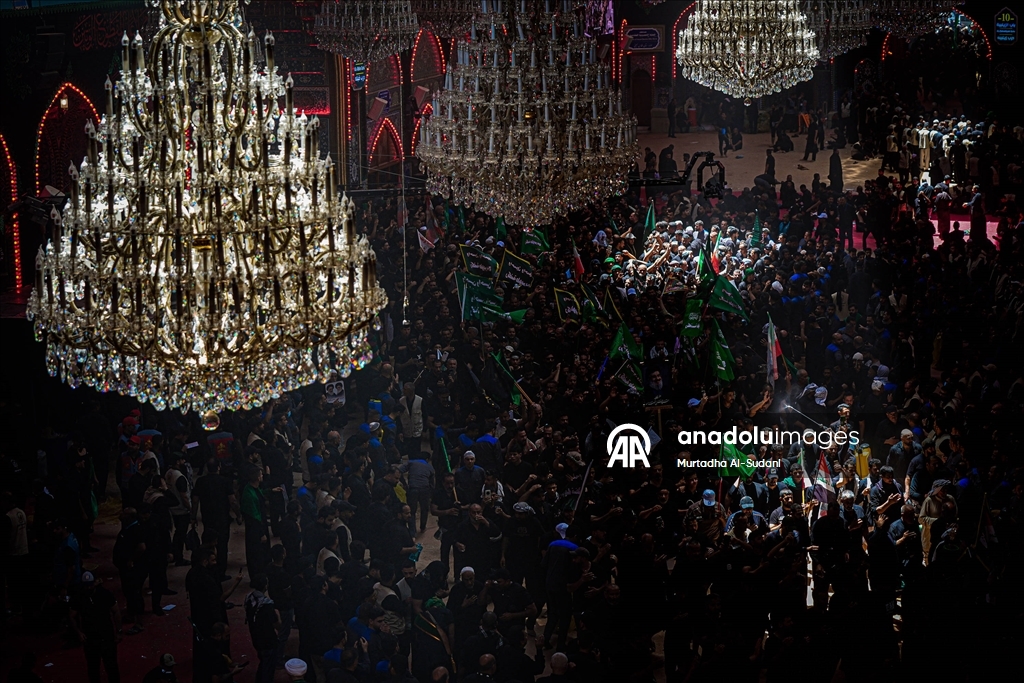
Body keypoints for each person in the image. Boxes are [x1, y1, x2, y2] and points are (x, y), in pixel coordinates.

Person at [70, 572, 121, 683]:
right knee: (95, 667)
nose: (89, 588)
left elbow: (116, 611)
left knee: (110, 666)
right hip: (92, 637)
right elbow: (71, 616)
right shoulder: (80, 596)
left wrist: (118, 631)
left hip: (104, 635)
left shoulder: (104, 594)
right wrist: (79, 632)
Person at [244, 574, 280, 683]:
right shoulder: (267, 604)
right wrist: (277, 614)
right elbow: (277, 624)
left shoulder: (249, 598)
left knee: (264, 662)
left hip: (255, 636)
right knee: (268, 667)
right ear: (265, 586)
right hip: (268, 639)